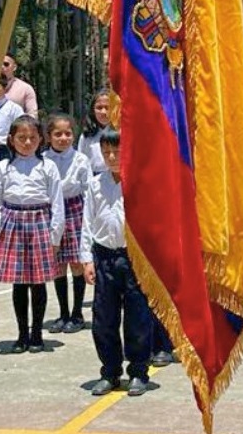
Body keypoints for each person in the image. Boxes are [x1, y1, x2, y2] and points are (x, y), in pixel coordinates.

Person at [81, 127, 154, 397]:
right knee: (104, 317)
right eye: (106, 151)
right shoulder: (95, 184)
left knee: (137, 316)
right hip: (104, 256)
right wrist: (86, 258)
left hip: (134, 258)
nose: (112, 156)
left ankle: (138, 371)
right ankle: (110, 371)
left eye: (117, 150)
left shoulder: (141, 181)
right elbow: (87, 223)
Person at [0, 115, 65, 353]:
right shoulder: (3, 167)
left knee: (38, 282)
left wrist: (55, 236)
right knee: (19, 283)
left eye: (32, 137)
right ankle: (22, 334)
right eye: (21, 138)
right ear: (11, 140)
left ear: (40, 139)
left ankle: (37, 333)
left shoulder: (47, 166)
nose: (27, 142)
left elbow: (57, 203)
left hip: (39, 221)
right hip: (12, 222)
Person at [43, 113, 93, 333]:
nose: (63, 138)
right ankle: (63, 313)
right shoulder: (43, 159)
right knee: (58, 265)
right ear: (49, 136)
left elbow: (87, 188)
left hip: (75, 209)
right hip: (52, 211)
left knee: (76, 262)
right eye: (57, 134)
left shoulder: (81, 159)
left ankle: (77, 313)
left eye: (68, 133)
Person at [77, 90, 112, 174]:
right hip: (92, 179)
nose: (103, 112)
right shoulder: (87, 136)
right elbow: (80, 162)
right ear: (93, 111)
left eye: (108, 107)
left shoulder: (123, 134)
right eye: (99, 108)